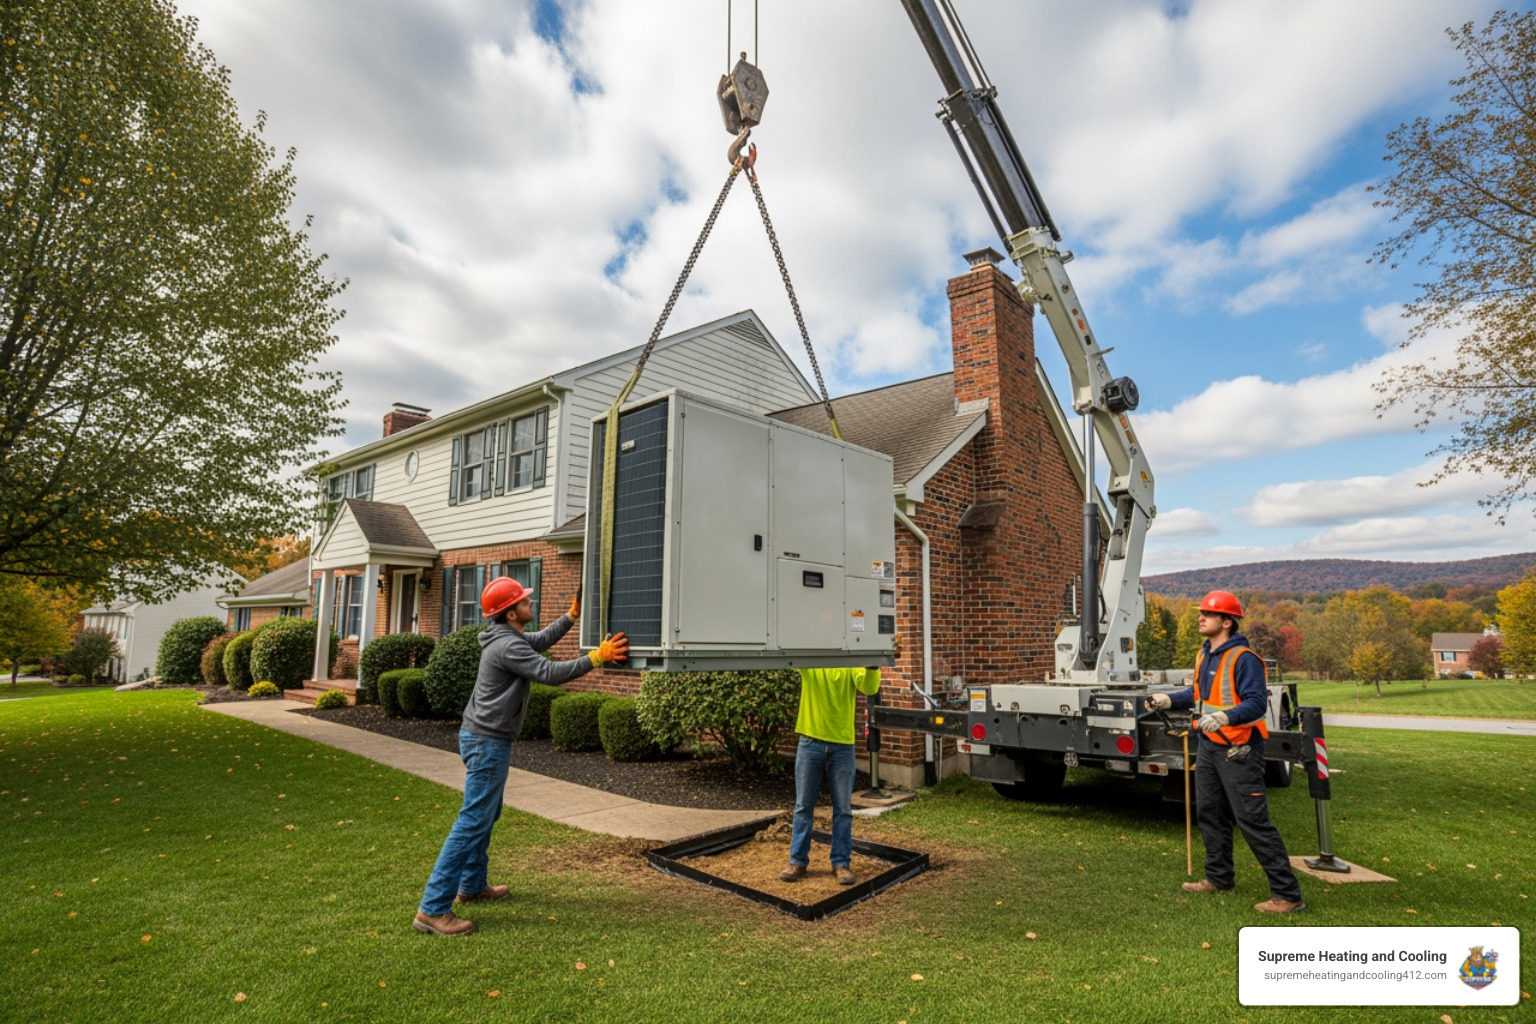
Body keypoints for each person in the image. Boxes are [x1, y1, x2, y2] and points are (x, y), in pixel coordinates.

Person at [413, 578, 629, 936]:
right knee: (473, 820)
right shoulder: (507, 647)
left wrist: (572, 616)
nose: (532, 602)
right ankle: (433, 909)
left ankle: (472, 886)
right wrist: (596, 657)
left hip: (482, 737)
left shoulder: (507, 637)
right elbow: (548, 672)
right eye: (525, 601)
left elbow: (540, 642)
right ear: (511, 612)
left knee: (484, 814)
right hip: (487, 742)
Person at [1147, 590, 1303, 914]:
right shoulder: (1204, 654)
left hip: (1239, 749)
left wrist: (1225, 717)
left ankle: (1288, 895)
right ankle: (1219, 879)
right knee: (1210, 813)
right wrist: (1169, 700)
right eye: (1201, 612)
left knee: (1252, 820)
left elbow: (1256, 704)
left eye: (1208, 613)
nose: (1200, 617)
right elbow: (1197, 694)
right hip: (1208, 748)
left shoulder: (1244, 659)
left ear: (1227, 622)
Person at [779, 639, 895, 887]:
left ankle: (841, 863)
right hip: (810, 740)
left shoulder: (850, 661)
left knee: (842, 809)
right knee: (803, 807)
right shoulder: (811, 660)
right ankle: (797, 861)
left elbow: (869, 687)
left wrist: (875, 662)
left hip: (842, 744)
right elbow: (788, 652)